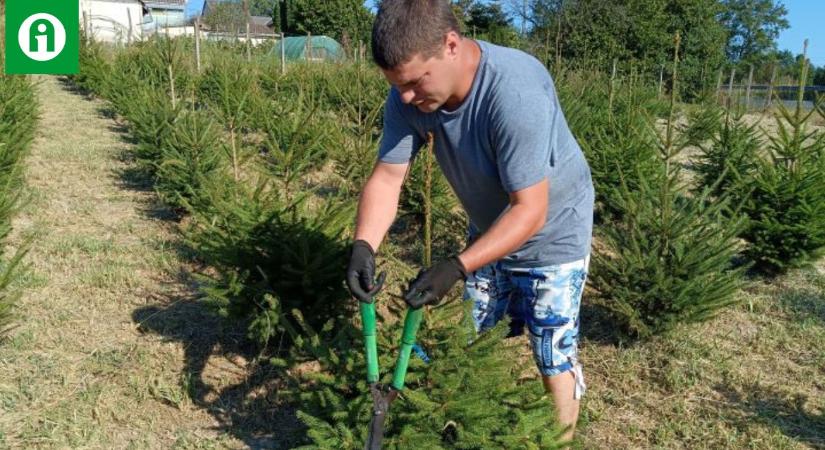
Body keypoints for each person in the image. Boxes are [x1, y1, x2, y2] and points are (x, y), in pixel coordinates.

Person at [346, 0, 594, 441]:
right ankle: (465, 432)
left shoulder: (514, 92)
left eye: (415, 81)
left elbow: (530, 210)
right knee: (470, 340)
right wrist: (364, 246)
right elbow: (387, 179)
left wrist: (457, 266)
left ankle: (559, 441)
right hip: (490, 227)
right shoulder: (408, 96)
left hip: (554, 231)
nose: (406, 97)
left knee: (550, 350)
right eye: (396, 85)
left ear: (452, 45)